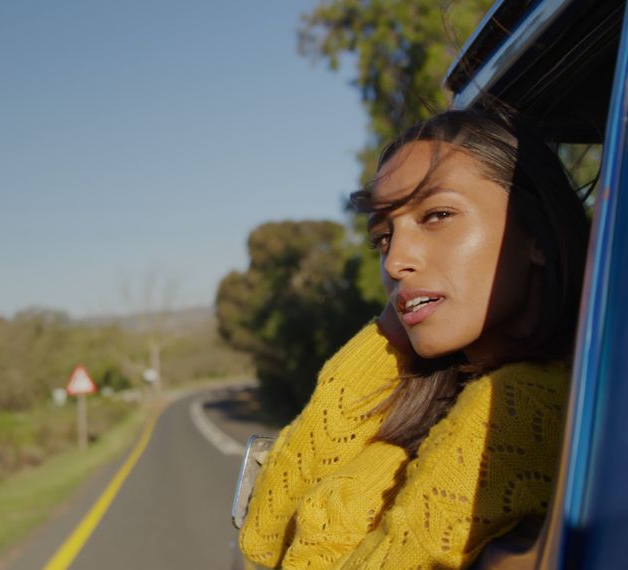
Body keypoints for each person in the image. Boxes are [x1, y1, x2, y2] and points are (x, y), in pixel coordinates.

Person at [237, 108, 590, 569]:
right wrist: (394, 327)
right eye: (383, 238)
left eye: (438, 215)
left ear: (535, 234)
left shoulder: (518, 405)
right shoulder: (436, 392)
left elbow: (268, 543)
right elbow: (262, 534)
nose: (394, 261)